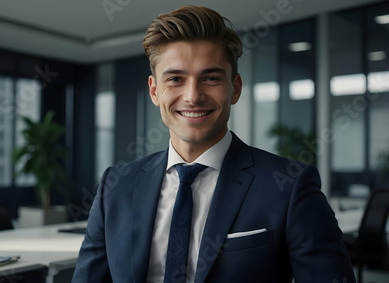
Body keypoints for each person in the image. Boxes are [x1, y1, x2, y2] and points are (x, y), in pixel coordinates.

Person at [72, 5, 355, 283]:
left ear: (235, 88)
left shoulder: (290, 186)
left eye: (210, 78)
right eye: (175, 79)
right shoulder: (116, 186)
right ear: (155, 91)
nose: (193, 96)